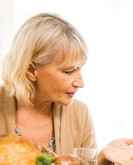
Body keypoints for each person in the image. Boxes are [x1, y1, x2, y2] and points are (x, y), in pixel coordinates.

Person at [0, 13, 96, 156]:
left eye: (80, 69)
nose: (80, 83)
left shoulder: (80, 114)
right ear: (31, 70)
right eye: (69, 71)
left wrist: (103, 160)